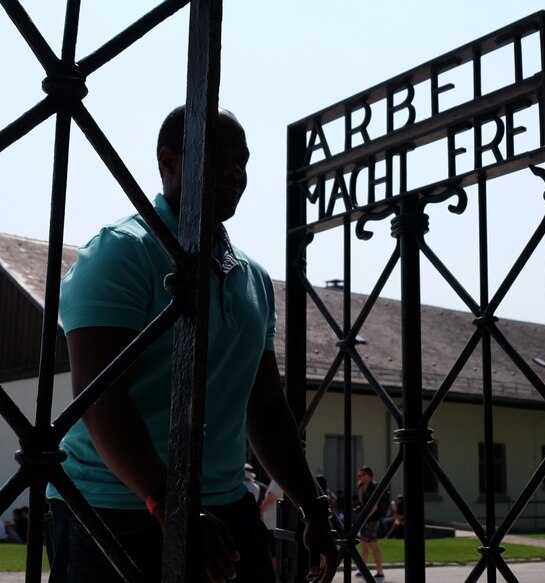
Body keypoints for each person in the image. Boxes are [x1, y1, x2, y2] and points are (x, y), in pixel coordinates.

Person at [44, 106, 337, 583]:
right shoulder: (123, 251)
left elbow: (265, 407)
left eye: (242, 160)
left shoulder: (254, 278)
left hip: (224, 506)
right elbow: (100, 404)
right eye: (217, 155)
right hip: (116, 510)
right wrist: (169, 504)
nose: (234, 171)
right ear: (169, 161)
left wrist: (314, 507)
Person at [355, 466, 385, 580]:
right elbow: (362, 503)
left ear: (369, 475)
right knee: (363, 545)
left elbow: (375, 506)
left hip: (372, 520)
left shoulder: (373, 486)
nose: (361, 477)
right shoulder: (361, 487)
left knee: (373, 545)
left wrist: (365, 517)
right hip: (364, 519)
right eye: (359, 476)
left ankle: (380, 571)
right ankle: (362, 569)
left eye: (363, 475)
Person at [259, 473, 284, 570]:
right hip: (276, 523)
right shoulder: (280, 481)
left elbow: (270, 500)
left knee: (273, 554)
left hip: (271, 524)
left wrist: (260, 511)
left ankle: (274, 575)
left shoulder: (275, 482)